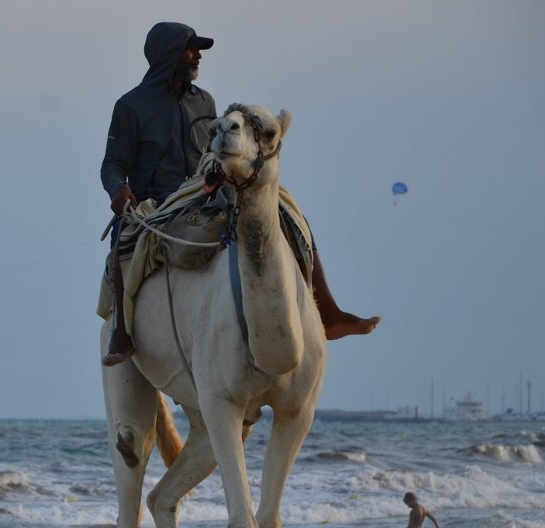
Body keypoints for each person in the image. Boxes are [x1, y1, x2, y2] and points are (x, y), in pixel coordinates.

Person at [100, 22, 380, 367]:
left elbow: (215, 150)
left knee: (287, 210)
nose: (198, 56)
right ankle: (121, 332)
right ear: (168, 54)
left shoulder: (204, 100)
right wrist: (119, 190)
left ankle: (329, 312)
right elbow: (112, 164)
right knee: (122, 244)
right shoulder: (130, 106)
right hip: (155, 202)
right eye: (191, 49)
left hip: (203, 190)